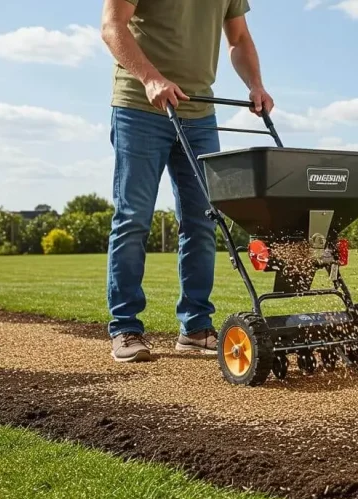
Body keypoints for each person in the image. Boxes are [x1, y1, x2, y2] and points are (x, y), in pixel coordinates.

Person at [100, 0, 273, 362]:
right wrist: (151, 78)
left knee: (203, 220)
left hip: (199, 113)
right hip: (139, 108)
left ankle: (195, 327)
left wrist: (255, 85)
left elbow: (239, 39)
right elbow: (112, 26)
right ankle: (125, 327)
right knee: (133, 218)